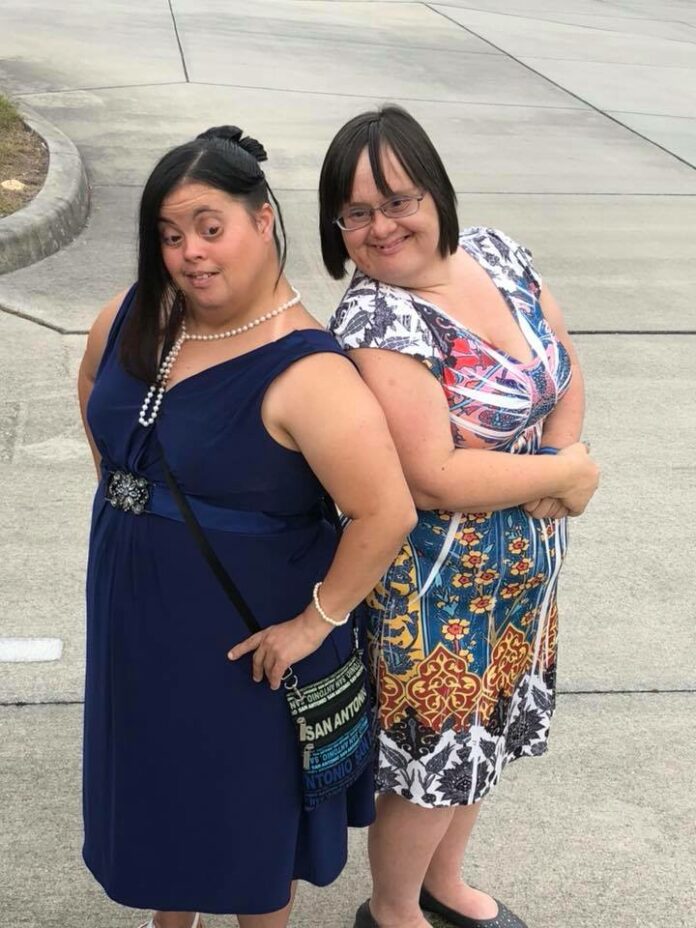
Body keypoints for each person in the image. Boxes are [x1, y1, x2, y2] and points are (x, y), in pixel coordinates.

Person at [77, 125, 417, 928]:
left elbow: (387, 510)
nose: (189, 252)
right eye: (168, 234)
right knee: (161, 797)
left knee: (244, 827)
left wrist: (314, 622)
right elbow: (97, 387)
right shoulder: (137, 314)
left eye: (209, 227)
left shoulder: (308, 373)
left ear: (263, 220)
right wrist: (128, 496)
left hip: (243, 638)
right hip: (137, 619)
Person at [319, 105, 600, 928]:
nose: (381, 226)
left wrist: (561, 463)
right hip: (434, 584)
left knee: (485, 737)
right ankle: (396, 908)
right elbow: (432, 476)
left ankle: (446, 881)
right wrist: (562, 475)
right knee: (433, 753)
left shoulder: (495, 253)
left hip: (526, 562)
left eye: (398, 200)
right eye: (357, 213)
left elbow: (564, 366)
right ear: (338, 227)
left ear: (436, 193)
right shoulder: (378, 319)